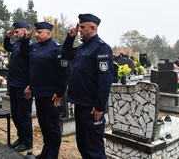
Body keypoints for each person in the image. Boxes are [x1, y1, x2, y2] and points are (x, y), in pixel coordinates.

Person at [61, 13, 113, 159]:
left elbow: (105, 79)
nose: (79, 30)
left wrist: (100, 106)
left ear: (93, 28)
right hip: (80, 104)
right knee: (82, 144)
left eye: (82, 27)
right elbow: (65, 55)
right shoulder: (82, 48)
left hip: (91, 107)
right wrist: (70, 38)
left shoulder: (101, 48)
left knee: (94, 149)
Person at [23, 22, 69, 159]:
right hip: (39, 94)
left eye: (40, 32)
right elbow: (35, 70)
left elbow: (65, 74)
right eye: (36, 32)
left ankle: (52, 155)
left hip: (52, 96)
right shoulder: (36, 47)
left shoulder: (57, 49)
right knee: (44, 126)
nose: (37, 35)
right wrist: (30, 86)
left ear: (48, 33)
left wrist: (60, 94)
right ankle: (45, 152)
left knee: (52, 128)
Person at [3, 22, 33, 152]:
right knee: (15, 114)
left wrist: (30, 86)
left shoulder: (29, 46)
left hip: (23, 86)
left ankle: (27, 142)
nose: (15, 34)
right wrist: (7, 38)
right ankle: (21, 138)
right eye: (14, 32)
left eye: (17, 32)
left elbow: (32, 66)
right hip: (14, 84)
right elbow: (7, 47)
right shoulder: (16, 44)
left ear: (25, 31)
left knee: (24, 114)